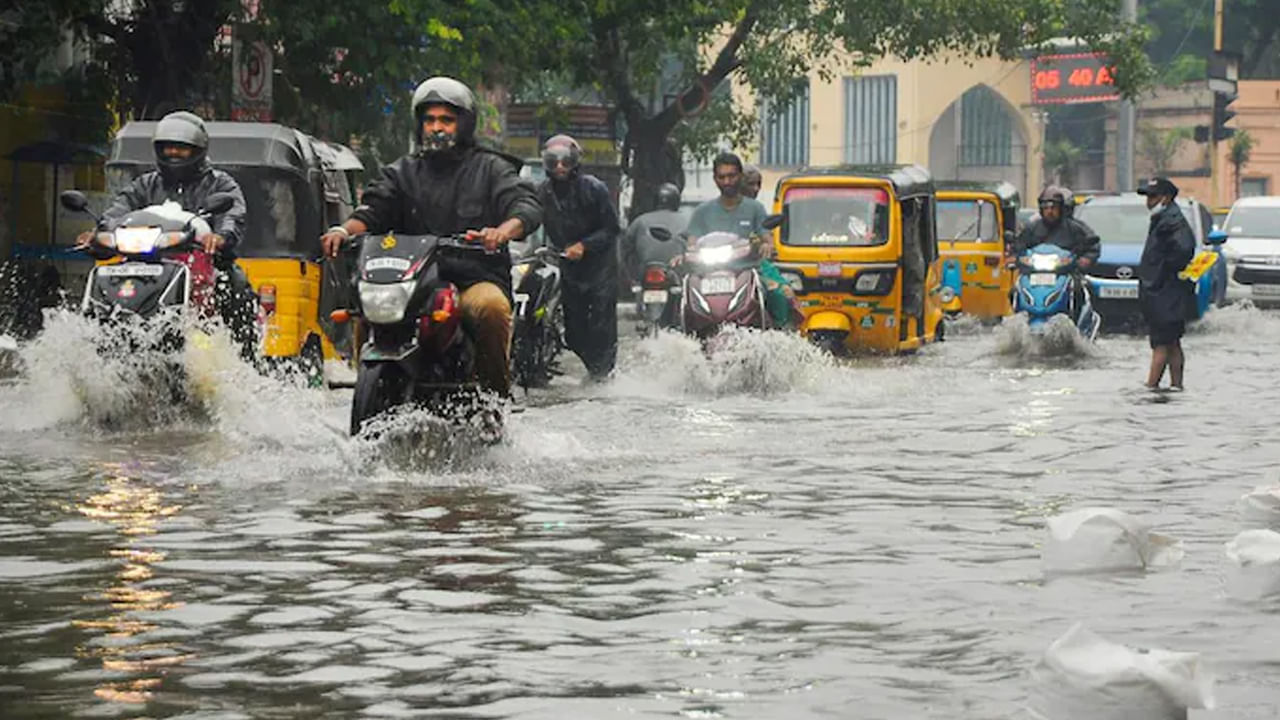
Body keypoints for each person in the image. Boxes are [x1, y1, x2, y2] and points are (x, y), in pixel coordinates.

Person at [320, 76, 541, 400]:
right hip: (411, 284)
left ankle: (495, 400)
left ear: (464, 124)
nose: (437, 127)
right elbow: (372, 211)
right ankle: (367, 386)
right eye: (430, 120)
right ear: (419, 125)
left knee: (492, 309)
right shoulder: (402, 172)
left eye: (447, 120)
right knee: (367, 312)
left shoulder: (490, 168)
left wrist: (501, 232)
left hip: (472, 279)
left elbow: (525, 205)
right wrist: (342, 230)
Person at [81, 110, 256, 357]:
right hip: (143, 261)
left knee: (235, 285)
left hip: (203, 264)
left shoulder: (220, 183)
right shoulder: (145, 184)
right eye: (167, 148)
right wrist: (99, 232)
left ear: (197, 150)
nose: (173, 153)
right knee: (106, 279)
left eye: (181, 149)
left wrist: (220, 237)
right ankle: (89, 344)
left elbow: (233, 215)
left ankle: (242, 360)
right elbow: (119, 209)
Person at [537, 134, 620, 381]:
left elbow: (612, 228)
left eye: (565, 161)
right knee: (573, 333)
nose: (560, 167)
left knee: (601, 326)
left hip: (600, 268)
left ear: (575, 162)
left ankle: (603, 376)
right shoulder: (541, 193)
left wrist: (585, 246)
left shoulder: (593, 188)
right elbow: (528, 217)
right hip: (569, 268)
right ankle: (595, 369)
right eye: (554, 162)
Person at [686, 152, 796, 328]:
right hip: (707, 274)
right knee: (681, 294)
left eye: (731, 176)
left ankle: (781, 336)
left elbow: (766, 235)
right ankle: (679, 335)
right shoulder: (702, 212)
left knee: (779, 294)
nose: (727, 181)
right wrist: (684, 253)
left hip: (747, 270)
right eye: (722, 177)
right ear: (715, 179)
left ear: (739, 176)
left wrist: (766, 245)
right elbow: (691, 243)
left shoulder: (754, 208)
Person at [1136, 177, 1196, 390]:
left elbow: (1183, 250)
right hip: (1162, 291)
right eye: (1147, 197)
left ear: (1166, 197)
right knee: (1171, 342)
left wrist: (1164, 274)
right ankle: (1176, 386)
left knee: (1161, 343)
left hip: (1165, 292)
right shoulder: (1163, 219)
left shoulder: (1172, 221)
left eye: (1153, 196)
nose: (1149, 202)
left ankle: (1151, 387)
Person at [1013, 185, 1101, 317]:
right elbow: (1019, 247)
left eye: (1053, 208)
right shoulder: (1031, 229)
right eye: (1046, 208)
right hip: (1034, 274)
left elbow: (1092, 244)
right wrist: (1016, 258)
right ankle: (1020, 319)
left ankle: (1075, 321)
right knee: (1014, 291)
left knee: (1077, 291)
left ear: (1061, 209)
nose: (1050, 211)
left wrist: (1086, 259)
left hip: (1065, 273)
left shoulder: (1075, 228)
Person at [620, 182, 686, 285]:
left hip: (645, 273)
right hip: (677, 273)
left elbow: (625, 246)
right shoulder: (686, 221)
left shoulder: (640, 221)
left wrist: (630, 274)